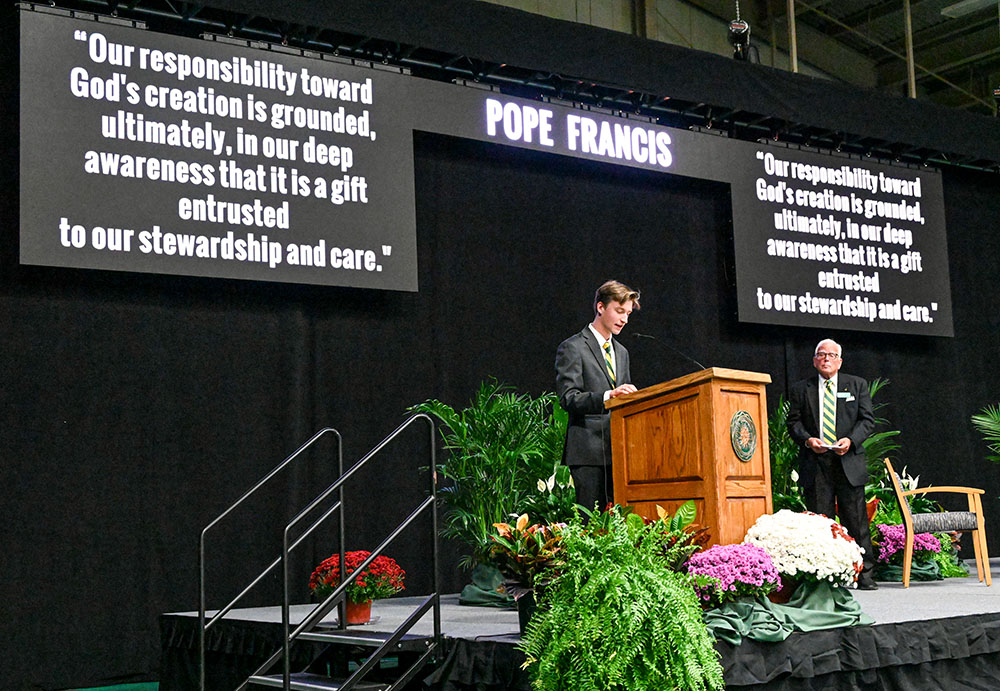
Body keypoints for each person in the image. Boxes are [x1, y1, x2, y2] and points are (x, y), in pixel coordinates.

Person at [786, 338, 878, 589]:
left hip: (847, 461)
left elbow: (867, 421)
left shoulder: (856, 385)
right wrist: (807, 441)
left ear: (840, 361)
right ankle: (824, 580)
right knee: (820, 524)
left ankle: (865, 575)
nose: (826, 358)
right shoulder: (800, 389)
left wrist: (851, 440)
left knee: (856, 522)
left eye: (831, 355)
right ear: (814, 360)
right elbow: (793, 423)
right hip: (816, 463)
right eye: (821, 354)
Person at [555, 280, 639, 511]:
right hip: (588, 453)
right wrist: (608, 396)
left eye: (628, 313)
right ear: (601, 307)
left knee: (619, 523)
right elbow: (569, 398)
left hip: (619, 452)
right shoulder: (573, 347)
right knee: (590, 523)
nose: (624, 319)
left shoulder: (622, 352)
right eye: (619, 311)